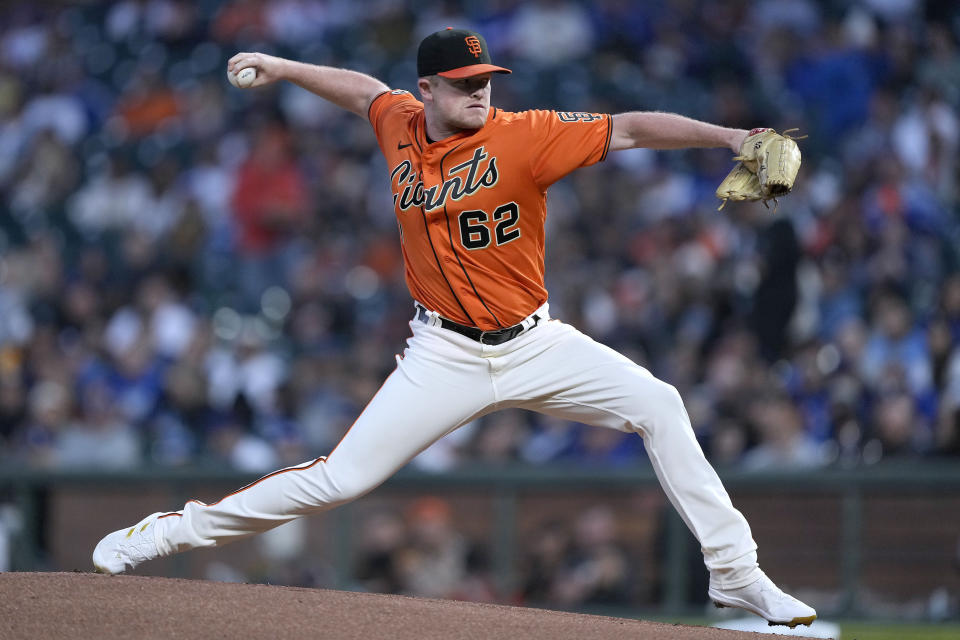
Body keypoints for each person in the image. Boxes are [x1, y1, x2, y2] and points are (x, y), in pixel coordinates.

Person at [93, 28, 816, 628]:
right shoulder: (399, 122)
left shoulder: (526, 137)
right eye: (464, 83)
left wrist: (728, 137)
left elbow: (628, 128)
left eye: (486, 80)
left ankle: (737, 576)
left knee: (660, 403)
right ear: (429, 92)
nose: (480, 92)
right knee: (339, 479)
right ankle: (169, 532)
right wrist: (282, 67)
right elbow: (361, 89)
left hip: (537, 341)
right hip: (442, 351)